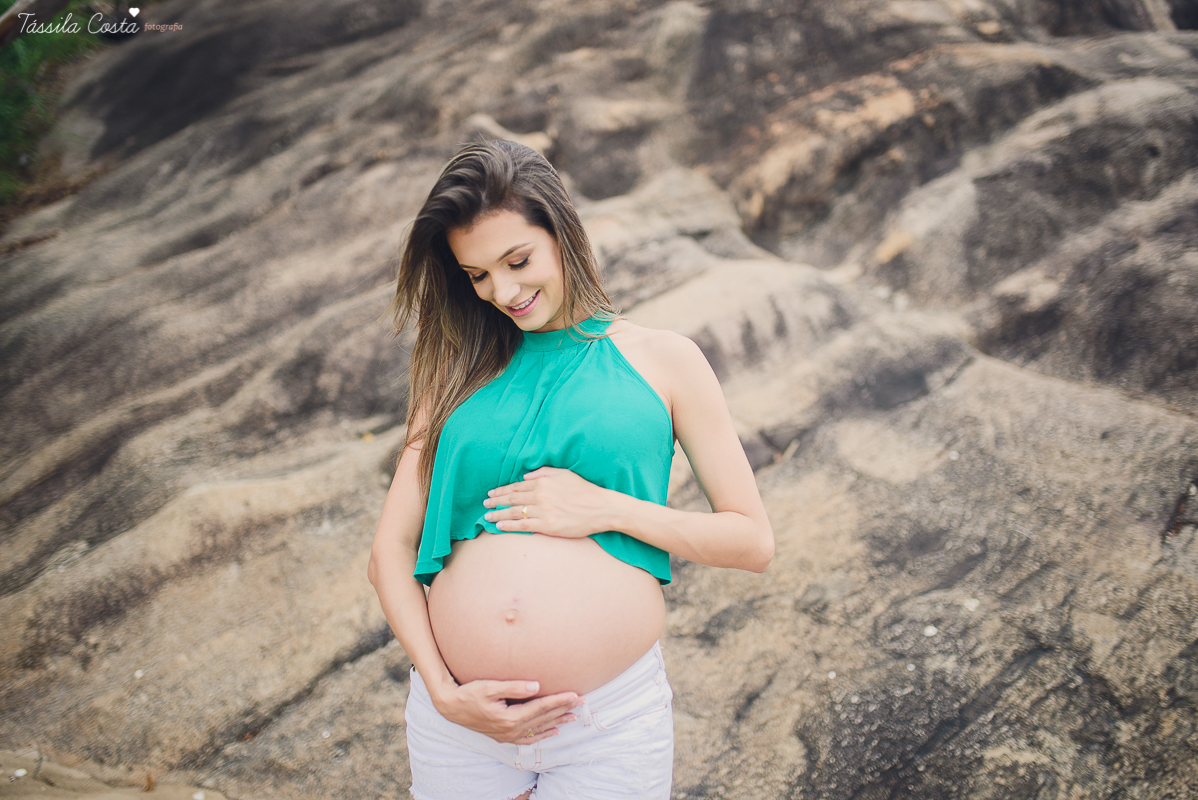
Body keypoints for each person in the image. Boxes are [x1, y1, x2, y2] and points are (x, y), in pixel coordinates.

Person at [367, 140, 774, 800]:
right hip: (459, 724)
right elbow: (389, 551)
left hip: (605, 725)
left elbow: (752, 542)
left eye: (517, 260)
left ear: (564, 232)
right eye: (477, 275)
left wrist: (607, 510)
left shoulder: (665, 360)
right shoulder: (453, 372)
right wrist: (443, 692)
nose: (503, 291)